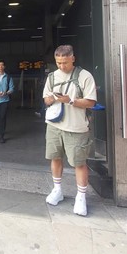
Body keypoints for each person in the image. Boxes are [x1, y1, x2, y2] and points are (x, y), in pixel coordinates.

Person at [42, 45, 96, 216]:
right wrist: (50, 99)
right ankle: (57, 189)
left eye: (64, 62)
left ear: (73, 58)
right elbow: (45, 99)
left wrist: (70, 100)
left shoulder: (85, 76)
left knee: (79, 163)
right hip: (54, 125)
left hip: (76, 127)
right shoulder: (52, 76)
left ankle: (81, 197)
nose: (61, 66)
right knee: (55, 157)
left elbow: (91, 102)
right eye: (58, 62)